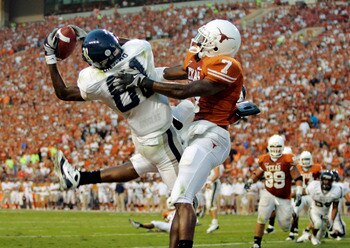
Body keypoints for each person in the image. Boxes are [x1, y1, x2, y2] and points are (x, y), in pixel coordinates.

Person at [117, 19, 259, 248]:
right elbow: (173, 73)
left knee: (182, 197)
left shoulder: (228, 65)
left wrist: (144, 82)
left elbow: (185, 90)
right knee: (178, 198)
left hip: (211, 135)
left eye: (206, 38)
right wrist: (123, 47)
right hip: (195, 131)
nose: (199, 41)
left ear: (219, 44)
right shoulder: (199, 61)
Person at [44, 27, 187, 195]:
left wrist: (50, 58)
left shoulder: (93, 82)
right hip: (160, 135)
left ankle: (80, 178)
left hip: (142, 136)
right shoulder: (140, 49)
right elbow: (121, 43)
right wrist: (92, 37)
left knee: (145, 162)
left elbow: (64, 93)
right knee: (186, 198)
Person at [244, 134, 303, 248]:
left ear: (282, 147)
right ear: (269, 147)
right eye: (273, 147)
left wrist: (299, 192)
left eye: (278, 147)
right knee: (261, 217)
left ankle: (291, 217)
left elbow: (298, 177)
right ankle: (256, 243)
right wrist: (250, 181)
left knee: (285, 226)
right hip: (268, 192)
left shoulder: (287, 159)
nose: (275, 150)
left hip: (284, 196)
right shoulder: (264, 159)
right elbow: (258, 172)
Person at [297, 171, 342, 245]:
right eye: (325, 180)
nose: (326, 182)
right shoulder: (314, 186)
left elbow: (335, 207)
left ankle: (307, 236)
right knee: (318, 223)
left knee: (319, 237)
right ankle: (313, 237)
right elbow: (304, 191)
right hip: (314, 210)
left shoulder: (336, 190)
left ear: (332, 181)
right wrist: (298, 195)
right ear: (321, 180)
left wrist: (331, 220)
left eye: (328, 180)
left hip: (325, 214)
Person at [285, 151, 323, 241]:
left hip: (311, 194)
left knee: (318, 213)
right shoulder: (296, 167)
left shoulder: (317, 167)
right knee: (294, 212)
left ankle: (317, 230)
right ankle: (292, 232)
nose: (306, 161)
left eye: (307, 159)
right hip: (300, 194)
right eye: (304, 159)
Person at [204, 164, 224, 233]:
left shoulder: (215, 162)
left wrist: (210, 182)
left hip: (214, 183)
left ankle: (215, 223)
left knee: (211, 203)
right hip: (208, 183)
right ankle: (213, 222)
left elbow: (217, 174)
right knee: (208, 205)